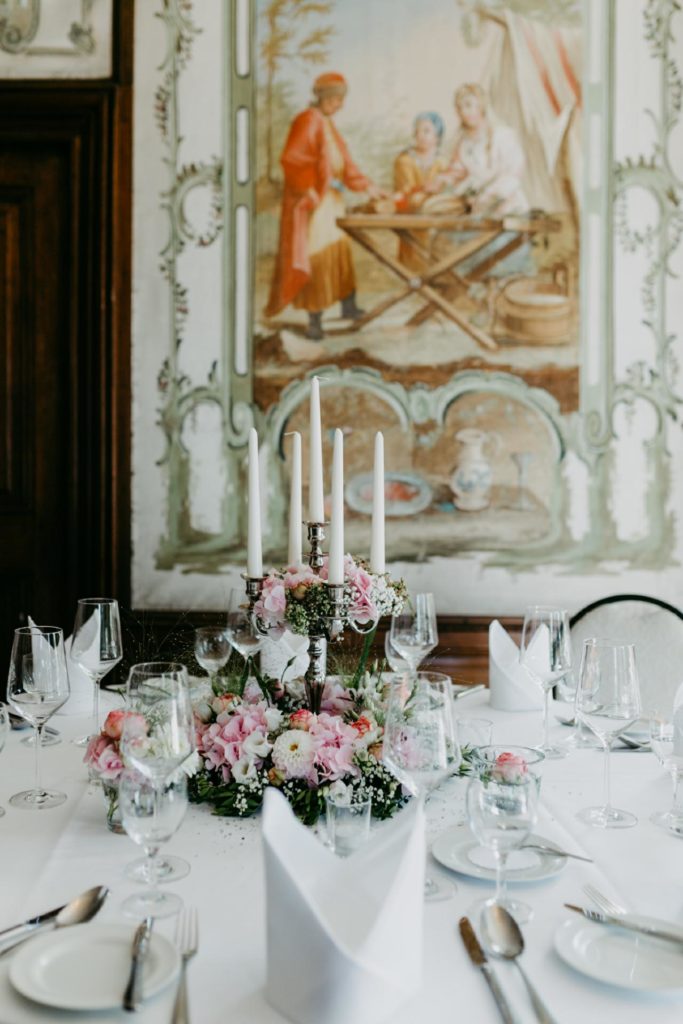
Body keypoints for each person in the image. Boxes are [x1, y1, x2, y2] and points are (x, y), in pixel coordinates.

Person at [265, 72, 384, 341]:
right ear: (325, 97)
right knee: (317, 256)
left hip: (334, 203)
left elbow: (345, 166)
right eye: (337, 99)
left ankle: (348, 306)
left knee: (340, 252)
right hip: (316, 203)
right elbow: (294, 160)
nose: (340, 104)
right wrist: (309, 191)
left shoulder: (327, 124)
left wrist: (368, 186)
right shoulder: (308, 120)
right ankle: (314, 320)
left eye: (342, 99)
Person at [448, 82, 528, 216]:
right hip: (479, 213)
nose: (464, 111)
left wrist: (486, 197)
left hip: (510, 210)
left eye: (468, 105)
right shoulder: (464, 145)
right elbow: (463, 178)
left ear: (481, 106)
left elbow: (513, 176)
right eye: (460, 107)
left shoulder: (503, 136)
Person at [393, 111, 449, 271]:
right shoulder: (404, 160)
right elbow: (405, 192)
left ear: (437, 136)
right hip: (411, 219)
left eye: (427, 131)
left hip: (437, 221)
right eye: (418, 131)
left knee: (438, 264)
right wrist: (426, 191)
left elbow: (445, 192)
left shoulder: (443, 162)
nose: (421, 135)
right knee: (412, 267)